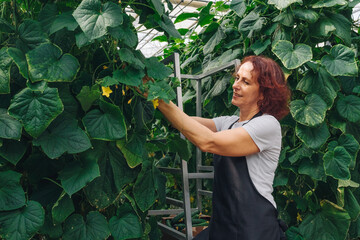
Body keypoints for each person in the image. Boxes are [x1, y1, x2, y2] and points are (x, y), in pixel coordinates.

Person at [152, 55, 290, 239]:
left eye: (246, 82)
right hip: (223, 226)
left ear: (264, 93)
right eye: (237, 78)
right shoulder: (230, 122)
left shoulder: (267, 125)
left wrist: (159, 99)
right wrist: (153, 94)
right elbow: (187, 123)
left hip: (253, 230)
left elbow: (208, 141)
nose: (236, 85)